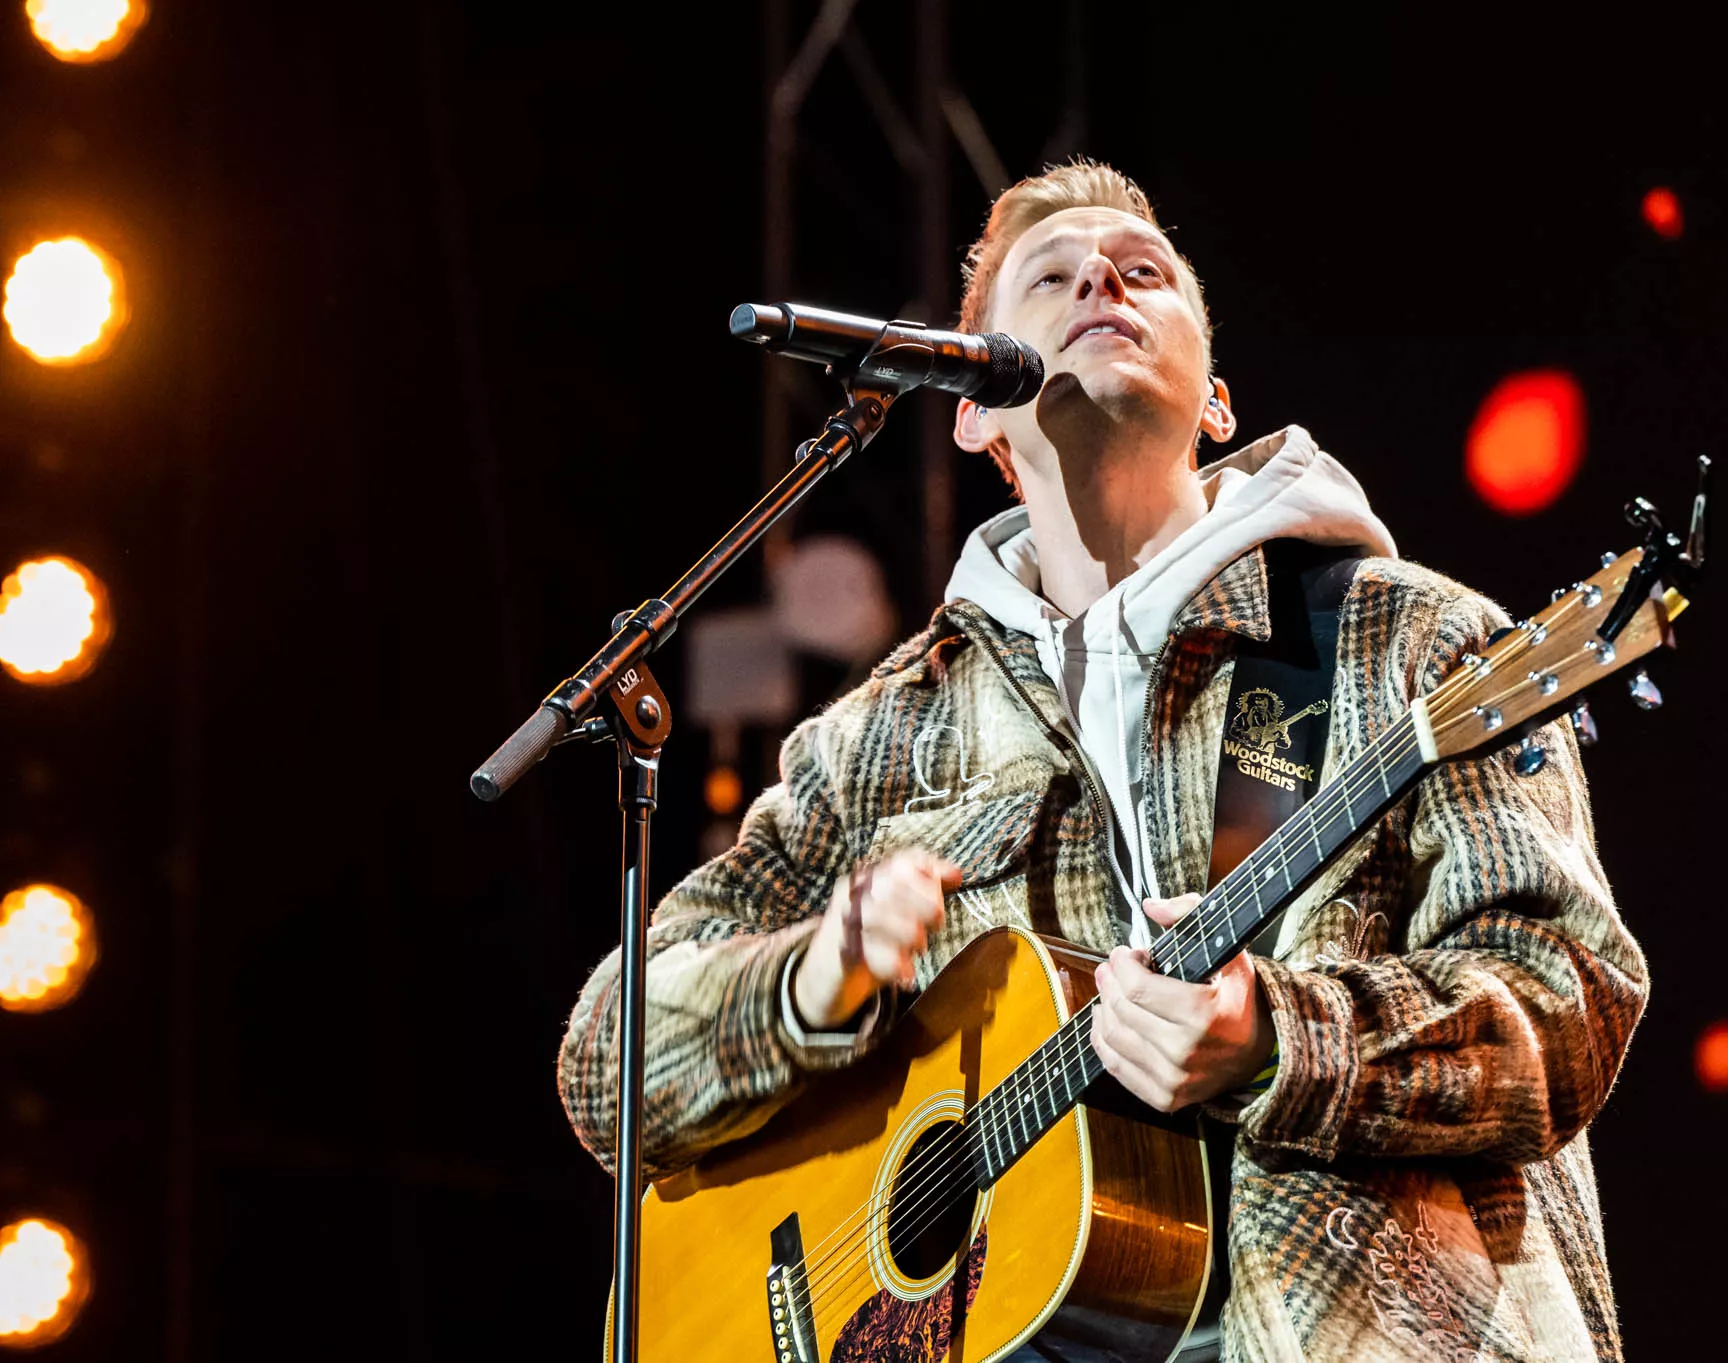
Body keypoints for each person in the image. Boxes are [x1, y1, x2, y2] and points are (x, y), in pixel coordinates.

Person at [558, 161, 1647, 1362]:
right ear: (969, 407)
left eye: (1142, 272)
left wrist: (1280, 1037)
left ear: (1216, 400)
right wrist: (809, 985)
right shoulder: (881, 739)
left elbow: (1567, 990)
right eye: (1051, 274)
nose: (1099, 279)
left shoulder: (1405, 636)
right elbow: (607, 1066)